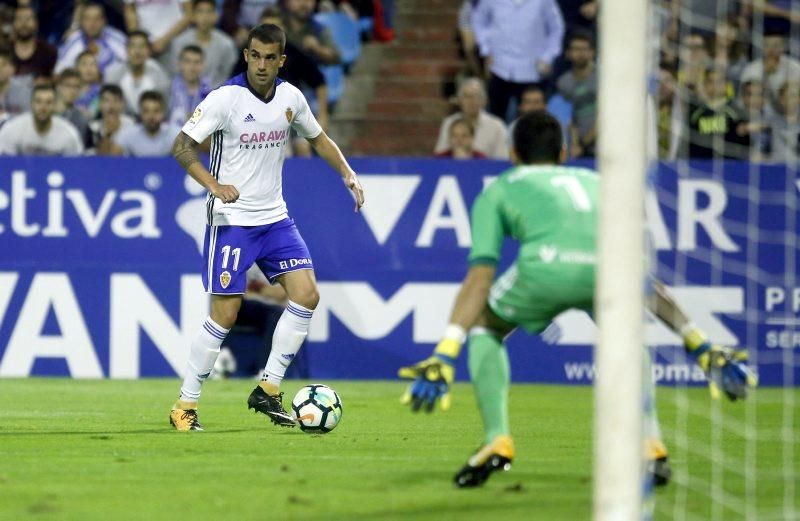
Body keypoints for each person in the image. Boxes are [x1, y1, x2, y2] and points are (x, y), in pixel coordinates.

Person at [399, 111, 756, 488]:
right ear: (565, 152)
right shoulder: (598, 182)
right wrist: (699, 344)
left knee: (487, 328)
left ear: (513, 152)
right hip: (609, 272)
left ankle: (498, 441)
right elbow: (644, 281)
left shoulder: (501, 187)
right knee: (624, 338)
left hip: (546, 270)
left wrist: (446, 351)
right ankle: (649, 444)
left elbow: (480, 276)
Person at [168, 23, 364, 431]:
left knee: (307, 295)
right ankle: (185, 406)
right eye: (254, 55)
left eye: (269, 57)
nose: (261, 64)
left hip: (275, 218)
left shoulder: (291, 97)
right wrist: (214, 186)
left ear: (281, 60)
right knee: (224, 314)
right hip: (232, 221)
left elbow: (319, 138)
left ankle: (269, 388)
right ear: (245, 56)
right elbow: (181, 146)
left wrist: (347, 173)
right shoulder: (225, 99)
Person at [471, 0, 565, 121]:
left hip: (531, 70)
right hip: (500, 68)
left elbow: (557, 29)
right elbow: (478, 20)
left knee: (531, 121)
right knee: (495, 119)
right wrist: (486, 49)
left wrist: (547, 57)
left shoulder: (544, 2)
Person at [0, 83, 84, 155]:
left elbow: (76, 166)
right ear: (31, 104)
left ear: (55, 105)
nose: (43, 107)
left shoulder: (68, 134)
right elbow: (4, 164)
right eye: (38, 101)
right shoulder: (12, 129)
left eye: (48, 102)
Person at [434, 78, 508, 159]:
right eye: (466, 96)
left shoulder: (497, 126)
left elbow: (503, 160)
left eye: (476, 96)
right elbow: (440, 157)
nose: (471, 101)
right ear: (459, 100)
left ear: (484, 101)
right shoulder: (449, 122)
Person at [170, 0, 239, 88]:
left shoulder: (227, 45)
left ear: (216, 16)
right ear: (193, 16)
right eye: (200, 11)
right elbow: (175, 72)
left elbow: (227, 74)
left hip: (216, 94)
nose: (204, 17)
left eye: (209, 12)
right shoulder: (179, 42)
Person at [104, 31, 171, 116]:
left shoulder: (159, 75)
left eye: (142, 46)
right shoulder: (113, 75)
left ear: (148, 51)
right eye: (133, 46)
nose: (137, 51)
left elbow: (164, 107)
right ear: (126, 50)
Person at [556, 31, 597, 158]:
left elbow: (607, 115)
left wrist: (584, 144)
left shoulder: (604, 77)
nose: (581, 53)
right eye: (576, 49)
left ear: (592, 52)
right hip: (576, 147)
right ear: (568, 54)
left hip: (605, 143)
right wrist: (575, 143)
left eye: (585, 49)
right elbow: (568, 117)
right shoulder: (563, 82)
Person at [55, 2, 127, 74]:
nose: (92, 23)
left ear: (104, 21)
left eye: (97, 18)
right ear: (81, 22)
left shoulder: (117, 38)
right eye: (88, 19)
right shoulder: (73, 40)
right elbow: (58, 71)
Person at [740, 33, 800, 107]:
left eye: (776, 45)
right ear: (761, 47)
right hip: (761, 112)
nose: (771, 50)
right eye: (767, 45)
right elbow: (746, 98)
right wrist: (766, 75)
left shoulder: (795, 67)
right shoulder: (751, 69)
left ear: (783, 47)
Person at [114, 90, 180, 156]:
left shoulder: (175, 134)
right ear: (140, 113)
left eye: (156, 111)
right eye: (146, 111)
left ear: (163, 113)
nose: (151, 116)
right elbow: (112, 160)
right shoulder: (128, 134)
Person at [123, 0, 192, 60]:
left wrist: (165, 40)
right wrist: (137, 40)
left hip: (176, 40)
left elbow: (189, 13)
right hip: (146, 44)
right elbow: (130, 10)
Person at [283, 0, 341, 65]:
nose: (304, 4)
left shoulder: (319, 29)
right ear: (287, 2)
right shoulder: (276, 23)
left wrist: (318, 49)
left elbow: (337, 58)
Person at [169, 45, 213, 129]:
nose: (192, 67)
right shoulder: (168, 89)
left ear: (203, 65)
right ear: (179, 64)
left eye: (197, 62)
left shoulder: (211, 91)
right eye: (187, 62)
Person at [10, 4, 57, 80]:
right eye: (19, 19)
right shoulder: (4, 50)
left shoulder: (49, 52)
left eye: (28, 19)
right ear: (13, 24)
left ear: (36, 23)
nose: (24, 24)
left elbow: (54, 79)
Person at [88, 84, 135, 154]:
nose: (111, 106)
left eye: (116, 100)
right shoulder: (92, 128)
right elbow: (96, 160)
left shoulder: (132, 126)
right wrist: (108, 135)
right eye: (106, 100)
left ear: (122, 104)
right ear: (100, 104)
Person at [55, 68, 91, 146]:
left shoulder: (81, 119)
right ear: (59, 87)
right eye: (68, 86)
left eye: (76, 87)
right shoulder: (45, 110)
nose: (72, 91)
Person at [0, 49, 31, 124]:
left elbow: (29, 117)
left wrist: (5, 116)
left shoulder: (23, 90)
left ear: (12, 68)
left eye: (3, 65)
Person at [74, 51, 103, 119]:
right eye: (84, 64)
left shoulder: (101, 92)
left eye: (93, 64)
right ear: (76, 68)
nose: (89, 69)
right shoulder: (69, 88)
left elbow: (92, 114)